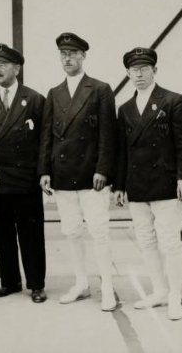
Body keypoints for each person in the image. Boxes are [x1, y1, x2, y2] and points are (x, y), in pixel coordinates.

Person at [114, 47, 182, 320]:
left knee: (170, 242)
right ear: (127, 73)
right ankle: (159, 290)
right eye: (133, 70)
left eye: (144, 69)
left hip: (166, 184)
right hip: (137, 185)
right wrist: (119, 186)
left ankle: (174, 295)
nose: (138, 74)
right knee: (146, 241)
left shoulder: (173, 101)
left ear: (154, 71)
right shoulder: (125, 109)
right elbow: (122, 150)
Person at [38, 32, 117, 310]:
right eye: (63, 54)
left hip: (91, 176)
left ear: (84, 56)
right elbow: (47, 135)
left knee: (99, 231)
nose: (68, 58)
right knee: (71, 231)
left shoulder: (100, 89)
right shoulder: (54, 93)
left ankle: (107, 286)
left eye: (73, 54)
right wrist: (44, 170)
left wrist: (103, 170)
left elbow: (108, 134)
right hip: (62, 175)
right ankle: (81, 283)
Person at [0, 43, 47, 303]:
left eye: (2, 64)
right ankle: (10, 281)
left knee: (31, 234)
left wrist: (41, 173)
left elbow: (44, 142)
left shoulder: (35, 99)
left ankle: (36, 284)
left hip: (26, 180)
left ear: (17, 68)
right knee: (2, 233)